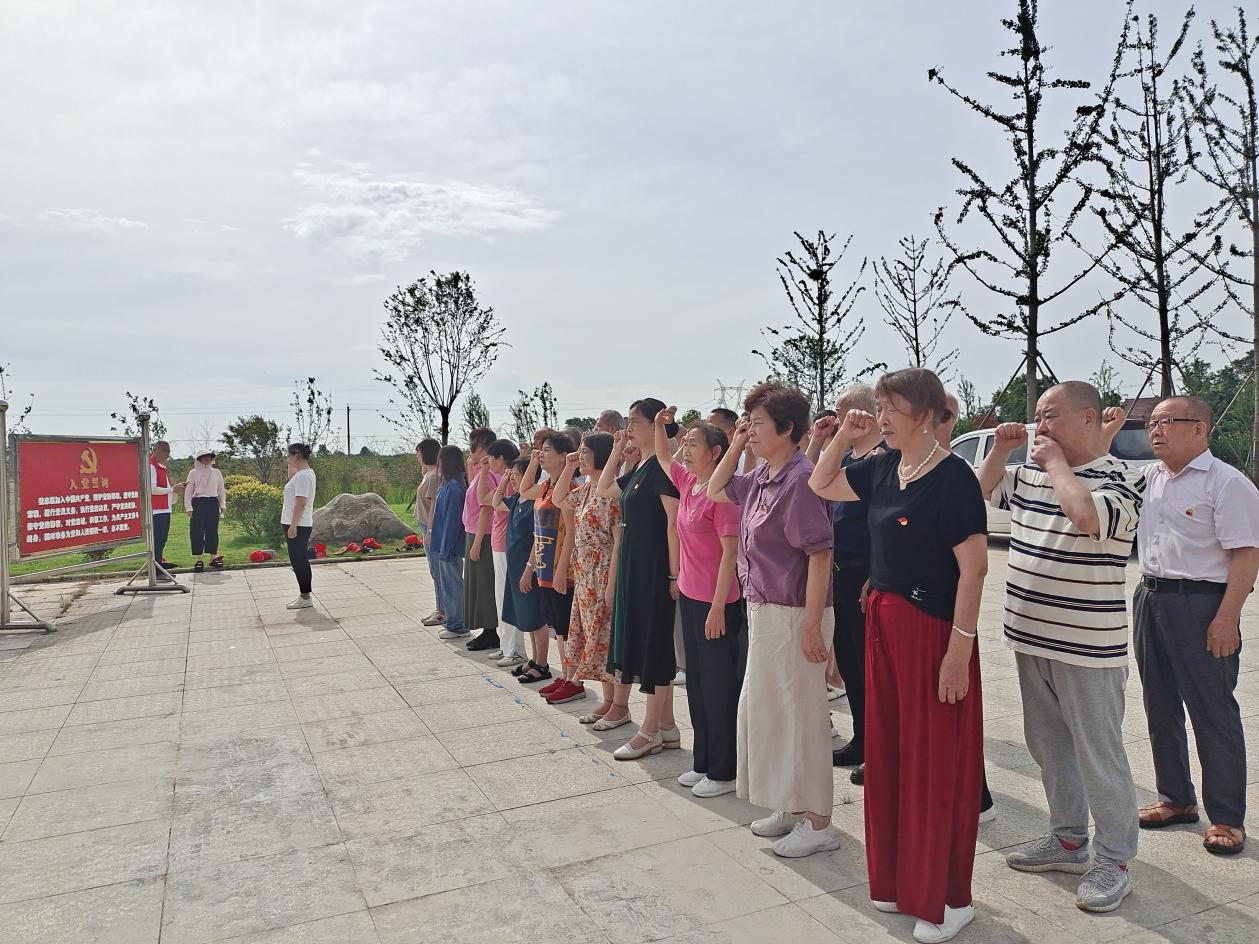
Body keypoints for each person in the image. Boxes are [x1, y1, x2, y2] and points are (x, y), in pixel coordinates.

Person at [810, 368, 988, 943]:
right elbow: (821, 482)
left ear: (928, 415)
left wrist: (959, 649)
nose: (882, 417)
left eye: (893, 408)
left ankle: (947, 897)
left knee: (933, 764)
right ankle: (894, 879)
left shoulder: (954, 477)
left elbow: (974, 569)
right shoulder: (885, 466)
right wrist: (842, 433)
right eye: (880, 406)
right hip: (883, 623)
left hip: (933, 632)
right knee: (889, 755)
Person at [977, 382, 1142, 915]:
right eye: (1038, 417)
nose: (1040, 426)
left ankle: (1114, 860)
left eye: (1050, 416)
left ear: (1089, 418)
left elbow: (1087, 517)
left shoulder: (1122, 477)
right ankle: (1068, 841)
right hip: (1031, 637)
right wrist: (1000, 452)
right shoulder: (1028, 475)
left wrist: (1053, 465)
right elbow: (974, 496)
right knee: (1049, 748)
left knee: (1099, 755)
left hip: (1088, 647)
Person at [708, 382, 838, 859]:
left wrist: (811, 626)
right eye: (748, 422)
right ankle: (790, 802)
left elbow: (820, 555)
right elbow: (715, 488)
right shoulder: (763, 474)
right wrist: (737, 443)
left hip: (795, 613)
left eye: (759, 423)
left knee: (802, 716)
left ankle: (819, 821)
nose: (751, 429)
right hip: (765, 610)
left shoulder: (801, 479)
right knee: (771, 714)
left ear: (787, 429)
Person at [1134, 396, 1259, 856]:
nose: (1155, 430)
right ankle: (1176, 799)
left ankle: (1226, 817)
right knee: (1159, 703)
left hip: (1202, 604)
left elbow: (1247, 554)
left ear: (1199, 428)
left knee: (1212, 710)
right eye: (1152, 423)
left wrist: (1228, 617)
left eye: (1166, 421)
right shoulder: (1148, 477)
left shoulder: (1226, 482)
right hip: (1150, 597)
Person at [655, 408, 745, 798]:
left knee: (719, 688)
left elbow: (730, 554)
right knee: (697, 685)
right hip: (692, 598)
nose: (686, 449)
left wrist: (718, 607)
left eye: (694, 444)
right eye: (686, 443)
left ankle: (725, 771)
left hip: (717, 604)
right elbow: (663, 457)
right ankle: (704, 761)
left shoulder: (723, 496)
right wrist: (660, 426)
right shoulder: (689, 482)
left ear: (716, 452)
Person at [598, 399, 682, 757]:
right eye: (627, 421)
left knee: (654, 648)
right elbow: (604, 488)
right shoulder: (641, 467)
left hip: (654, 569)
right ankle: (667, 726)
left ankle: (650, 731)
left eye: (635, 421)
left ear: (654, 425)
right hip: (634, 566)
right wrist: (617, 450)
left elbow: (673, 524)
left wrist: (674, 574)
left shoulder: (663, 468)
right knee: (646, 644)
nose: (628, 427)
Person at [809, 385, 883, 776]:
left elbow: (885, 525)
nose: (837, 419)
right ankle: (862, 738)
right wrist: (824, 439)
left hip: (866, 572)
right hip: (838, 570)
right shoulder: (845, 457)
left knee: (870, 668)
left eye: (843, 412)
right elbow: (811, 481)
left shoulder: (882, 459)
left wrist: (877, 573)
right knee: (851, 666)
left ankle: (880, 749)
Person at [549, 432, 625, 712]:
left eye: (585, 452)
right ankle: (607, 700)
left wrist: (611, 584)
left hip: (602, 573)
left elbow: (618, 542)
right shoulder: (586, 489)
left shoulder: (611, 492)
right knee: (592, 639)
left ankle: (616, 703)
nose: (580, 456)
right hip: (584, 574)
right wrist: (569, 467)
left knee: (603, 638)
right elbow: (559, 498)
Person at [515, 431, 578, 685]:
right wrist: (532, 461)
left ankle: (570, 678)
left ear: (564, 456)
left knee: (564, 627)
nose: (542, 454)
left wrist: (562, 569)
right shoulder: (545, 487)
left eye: (548, 450)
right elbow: (523, 489)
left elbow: (571, 532)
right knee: (558, 627)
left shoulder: (569, 489)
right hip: (544, 567)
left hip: (560, 568)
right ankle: (565, 676)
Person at [493, 458, 550, 672]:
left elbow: (538, 538)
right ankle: (535, 660)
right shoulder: (517, 499)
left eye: (516, 474)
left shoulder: (535, 503)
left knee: (536, 616)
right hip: (516, 567)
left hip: (529, 567)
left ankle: (542, 664)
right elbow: (496, 502)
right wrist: (503, 481)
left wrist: (529, 568)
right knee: (527, 617)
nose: (513, 478)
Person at [480, 440, 524, 664]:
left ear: (500, 458)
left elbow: (486, 501)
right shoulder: (504, 478)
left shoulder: (510, 480)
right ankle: (506, 644)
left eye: (491, 458)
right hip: (499, 543)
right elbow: (483, 499)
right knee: (501, 598)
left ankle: (514, 650)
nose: (489, 462)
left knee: (508, 599)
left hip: (508, 544)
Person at [463, 428, 501, 652]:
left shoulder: (491, 475)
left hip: (483, 535)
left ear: (482, 447)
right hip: (475, 533)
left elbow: (486, 509)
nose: (470, 450)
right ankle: (487, 631)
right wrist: (472, 466)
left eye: (473, 446)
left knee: (485, 585)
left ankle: (490, 632)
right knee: (477, 585)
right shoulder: (482, 472)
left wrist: (477, 542)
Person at [429, 445, 469, 639]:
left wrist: (446, 547)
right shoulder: (447, 485)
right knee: (447, 585)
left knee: (453, 586)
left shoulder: (453, 488)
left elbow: (453, 522)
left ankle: (457, 625)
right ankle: (452, 622)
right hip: (442, 544)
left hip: (449, 546)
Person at [281, 443, 317, 610]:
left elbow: (301, 502)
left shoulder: (303, 476)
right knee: (297, 560)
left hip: (298, 524)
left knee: (299, 560)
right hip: (296, 523)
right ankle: (304, 595)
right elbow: (291, 477)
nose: (287, 458)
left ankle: (305, 596)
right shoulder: (302, 474)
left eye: (289, 455)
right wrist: (291, 464)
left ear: (297, 455)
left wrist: (293, 526)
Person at [415, 439, 445, 627]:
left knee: (438, 571)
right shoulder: (429, 474)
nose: (417, 456)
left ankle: (443, 611)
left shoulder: (434, 476)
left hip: (430, 527)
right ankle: (440, 607)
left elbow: (434, 506)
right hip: (425, 526)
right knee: (435, 571)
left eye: (418, 452)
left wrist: (430, 531)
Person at [184, 449, 227, 572]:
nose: (207, 459)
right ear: (199, 459)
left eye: (209, 457)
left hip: (212, 502)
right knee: (197, 531)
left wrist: (222, 504)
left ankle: (213, 557)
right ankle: (199, 559)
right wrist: (188, 507)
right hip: (198, 502)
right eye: (204, 457)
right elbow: (188, 491)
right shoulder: (193, 473)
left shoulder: (217, 472)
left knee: (212, 530)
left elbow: (221, 490)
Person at [149, 440, 182, 570]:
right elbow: (152, 489)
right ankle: (156, 568)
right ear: (155, 450)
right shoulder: (151, 466)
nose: (167, 454)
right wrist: (172, 489)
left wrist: (173, 490)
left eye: (168, 451)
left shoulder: (161, 467)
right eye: (164, 451)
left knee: (162, 538)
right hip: (156, 510)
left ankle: (159, 563)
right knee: (158, 539)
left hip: (164, 508)